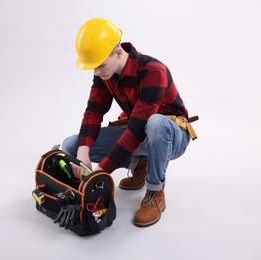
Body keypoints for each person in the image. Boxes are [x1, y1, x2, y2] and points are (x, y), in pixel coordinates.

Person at [62, 18, 197, 227]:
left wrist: (102, 170)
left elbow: (136, 130)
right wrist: (83, 153)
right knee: (71, 145)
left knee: (155, 123)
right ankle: (142, 164)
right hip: (140, 129)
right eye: (93, 68)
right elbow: (94, 111)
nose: (97, 72)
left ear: (118, 52)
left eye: (100, 66)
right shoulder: (105, 73)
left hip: (171, 135)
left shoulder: (153, 71)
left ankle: (155, 192)